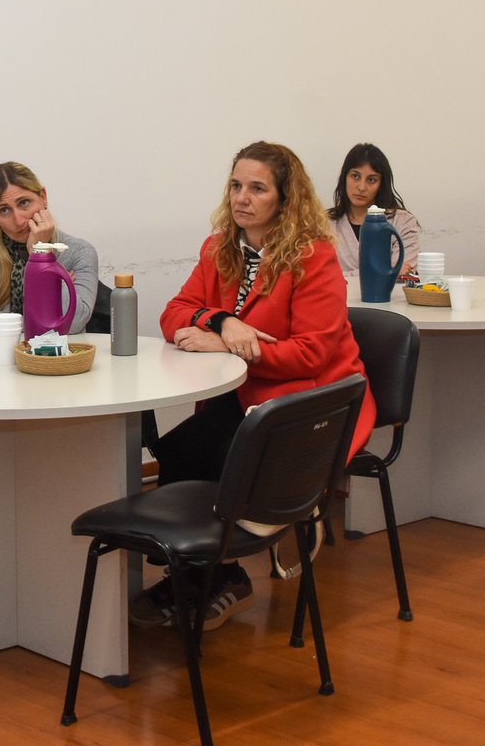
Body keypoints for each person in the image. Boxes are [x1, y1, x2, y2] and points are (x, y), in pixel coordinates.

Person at [137, 141, 377, 632]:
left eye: (258, 188)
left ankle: (228, 573)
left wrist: (229, 348)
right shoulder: (219, 247)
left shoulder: (313, 256)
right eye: (236, 186)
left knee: (228, 455)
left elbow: (311, 354)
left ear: (285, 199)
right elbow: (174, 313)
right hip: (248, 394)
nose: (241, 198)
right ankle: (197, 573)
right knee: (178, 452)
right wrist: (223, 322)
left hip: (311, 400)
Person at [0, 161, 99, 334]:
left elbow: (74, 322)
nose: (18, 220)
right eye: (4, 210)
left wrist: (40, 254)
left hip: (56, 352)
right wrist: (42, 323)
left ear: (43, 197)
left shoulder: (79, 252)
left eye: (24, 203)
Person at [328, 143, 421, 275]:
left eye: (371, 180)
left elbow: (404, 270)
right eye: (355, 176)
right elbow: (318, 277)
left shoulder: (403, 222)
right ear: (344, 178)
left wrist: (345, 275)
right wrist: (385, 269)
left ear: (381, 185)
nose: (361, 187)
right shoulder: (323, 224)